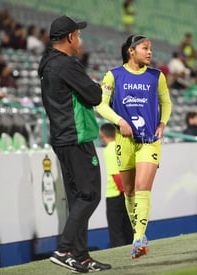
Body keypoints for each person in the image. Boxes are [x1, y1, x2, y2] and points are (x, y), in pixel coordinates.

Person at [38, 15, 111, 273]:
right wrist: (98, 86)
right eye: (78, 35)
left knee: (78, 198)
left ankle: (80, 256)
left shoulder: (47, 63)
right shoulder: (67, 65)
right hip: (77, 137)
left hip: (61, 138)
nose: (80, 38)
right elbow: (94, 95)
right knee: (89, 196)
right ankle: (65, 248)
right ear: (70, 37)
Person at [96, 34, 172, 258]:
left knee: (141, 188)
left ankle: (138, 237)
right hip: (124, 140)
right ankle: (138, 235)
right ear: (131, 50)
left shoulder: (156, 76)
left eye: (151, 49)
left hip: (149, 140)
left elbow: (165, 102)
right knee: (128, 191)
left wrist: (162, 123)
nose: (150, 52)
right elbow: (100, 104)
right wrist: (119, 121)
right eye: (145, 48)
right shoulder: (113, 76)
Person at [99, 123, 133, 248]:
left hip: (116, 194)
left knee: (116, 232)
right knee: (128, 229)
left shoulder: (109, 150)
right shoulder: (122, 146)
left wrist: (124, 192)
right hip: (127, 192)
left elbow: (116, 175)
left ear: (102, 135)